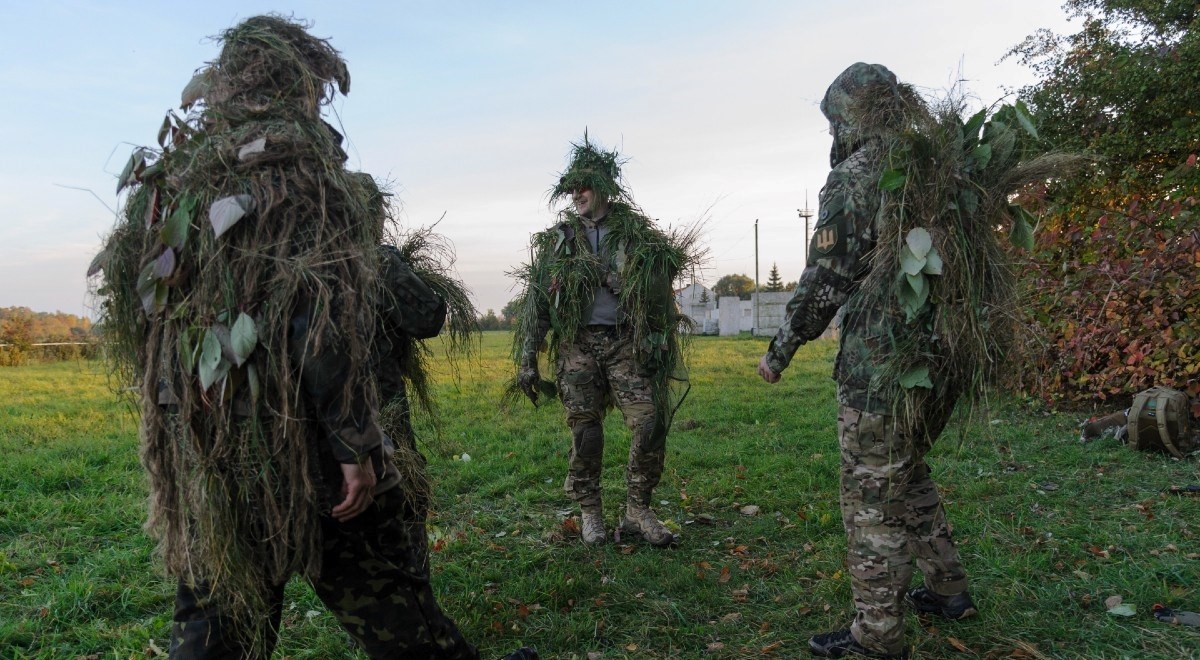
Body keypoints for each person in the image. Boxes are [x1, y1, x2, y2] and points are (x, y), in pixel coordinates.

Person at [95, 15, 534, 659]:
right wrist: (354, 443)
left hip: (207, 441)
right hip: (297, 443)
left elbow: (145, 317)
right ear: (301, 82)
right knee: (386, 607)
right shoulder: (301, 175)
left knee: (219, 614)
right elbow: (318, 318)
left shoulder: (175, 181)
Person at [757, 63, 979, 659]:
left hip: (882, 362)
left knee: (871, 495)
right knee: (907, 470)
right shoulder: (936, 168)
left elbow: (827, 277)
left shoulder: (858, 177)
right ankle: (949, 589)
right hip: (941, 357)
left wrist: (781, 350)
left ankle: (878, 637)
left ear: (848, 116)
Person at [513, 136, 695, 548]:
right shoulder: (559, 241)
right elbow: (538, 303)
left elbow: (659, 287)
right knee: (586, 432)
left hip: (626, 343)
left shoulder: (634, 234)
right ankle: (590, 512)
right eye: (572, 187)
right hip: (576, 346)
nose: (577, 194)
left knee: (649, 422)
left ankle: (637, 509)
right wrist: (527, 359)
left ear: (604, 187)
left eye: (585, 186)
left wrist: (618, 281)